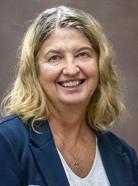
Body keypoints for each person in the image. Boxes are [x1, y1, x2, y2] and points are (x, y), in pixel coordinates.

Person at [0, 5, 137, 186]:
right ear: (34, 71)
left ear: (100, 65)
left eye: (82, 54)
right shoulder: (7, 142)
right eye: (54, 57)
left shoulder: (124, 156)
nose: (71, 69)